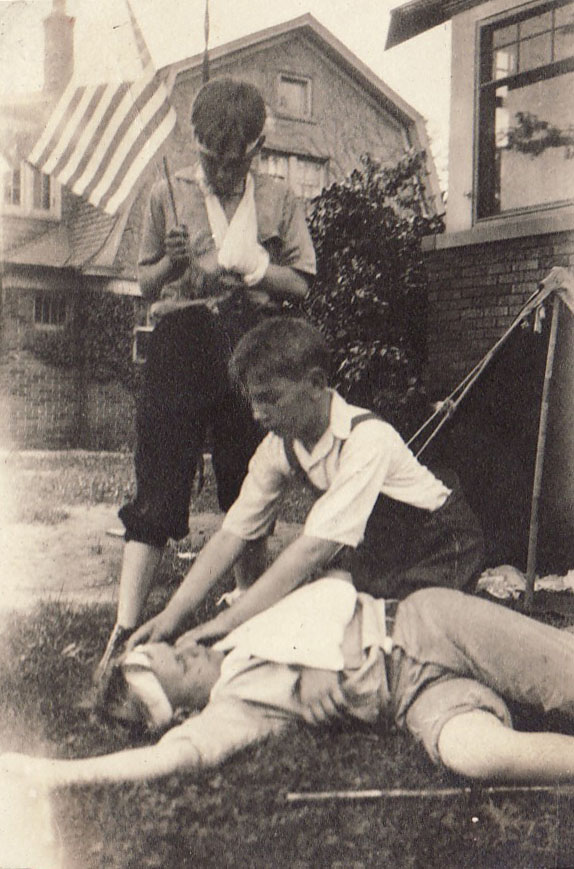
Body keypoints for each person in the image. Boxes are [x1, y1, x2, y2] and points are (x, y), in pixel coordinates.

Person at [95, 79, 316, 679]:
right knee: (159, 482)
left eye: (234, 161)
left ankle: (250, 618)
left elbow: (301, 283)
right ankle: (124, 628)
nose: (220, 173)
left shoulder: (279, 199)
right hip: (181, 342)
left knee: (249, 482)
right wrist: (171, 261)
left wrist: (259, 267)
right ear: (196, 145)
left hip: (249, 339)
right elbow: (145, 284)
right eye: (211, 160)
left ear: (257, 148)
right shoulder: (168, 194)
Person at [5, 578, 574, 790]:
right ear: (181, 713)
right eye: (180, 664)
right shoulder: (233, 709)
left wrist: (318, 660)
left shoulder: (240, 632)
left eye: (175, 645)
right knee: (477, 755)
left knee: (562, 674)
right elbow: (170, 758)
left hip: (425, 624)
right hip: (413, 699)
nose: (189, 647)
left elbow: (333, 586)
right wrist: (52, 774)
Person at [128, 317, 484, 651]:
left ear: (315, 384)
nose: (257, 414)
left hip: (439, 544)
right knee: (337, 623)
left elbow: (314, 549)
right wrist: (173, 615)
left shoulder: (367, 437)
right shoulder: (278, 447)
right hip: (381, 549)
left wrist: (226, 623)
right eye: (253, 400)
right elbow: (232, 534)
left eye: (270, 398)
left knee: (403, 637)